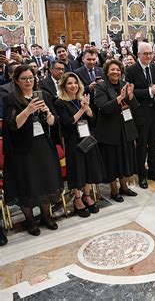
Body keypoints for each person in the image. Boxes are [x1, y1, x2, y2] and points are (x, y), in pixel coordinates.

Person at [3, 64, 62, 236]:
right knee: (27, 182)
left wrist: (48, 113)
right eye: (24, 78)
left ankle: (46, 216)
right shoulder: (11, 99)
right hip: (22, 149)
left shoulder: (43, 95)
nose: (28, 81)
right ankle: (30, 220)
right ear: (16, 80)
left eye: (31, 78)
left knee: (46, 179)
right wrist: (29, 110)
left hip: (43, 144)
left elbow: (53, 122)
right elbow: (13, 125)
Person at [55, 73, 103, 217]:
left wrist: (87, 107)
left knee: (89, 168)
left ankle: (86, 195)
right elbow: (68, 123)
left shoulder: (81, 98)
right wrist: (81, 109)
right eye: (69, 83)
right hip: (73, 141)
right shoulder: (60, 102)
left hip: (87, 137)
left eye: (75, 83)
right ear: (63, 86)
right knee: (77, 170)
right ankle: (77, 199)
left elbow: (93, 118)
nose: (73, 86)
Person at [95, 60, 139, 202]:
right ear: (107, 72)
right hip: (109, 131)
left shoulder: (123, 85)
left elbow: (135, 107)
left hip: (124, 129)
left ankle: (124, 187)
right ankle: (114, 189)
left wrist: (130, 96)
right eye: (112, 70)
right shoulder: (101, 87)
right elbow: (103, 107)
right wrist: (120, 98)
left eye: (118, 70)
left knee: (125, 159)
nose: (116, 72)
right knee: (112, 161)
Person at [125, 42, 155, 188]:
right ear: (139, 55)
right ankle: (142, 175)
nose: (149, 56)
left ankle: (153, 171)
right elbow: (130, 93)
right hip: (140, 113)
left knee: (154, 144)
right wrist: (149, 91)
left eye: (150, 53)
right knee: (142, 145)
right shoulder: (131, 70)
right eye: (145, 54)